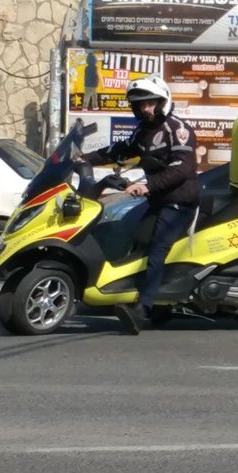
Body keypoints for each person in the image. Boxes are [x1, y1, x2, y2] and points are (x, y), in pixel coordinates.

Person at [82, 75, 198, 334]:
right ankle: (160, 303)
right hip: (158, 200)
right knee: (130, 234)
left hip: (179, 202)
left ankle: (143, 309)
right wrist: (82, 158)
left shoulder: (177, 129)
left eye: (151, 103)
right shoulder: (143, 131)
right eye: (141, 104)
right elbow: (118, 150)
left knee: (157, 248)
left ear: (162, 101)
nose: (146, 109)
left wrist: (147, 186)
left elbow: (181, 169)